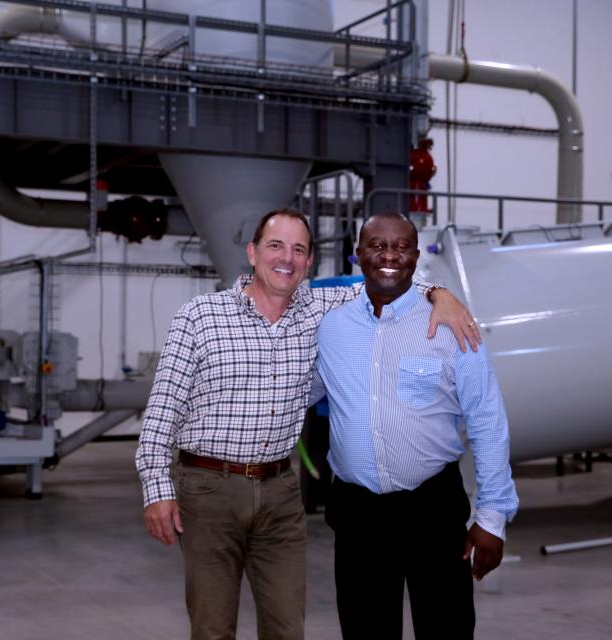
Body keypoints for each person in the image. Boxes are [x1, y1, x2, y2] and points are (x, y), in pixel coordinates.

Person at [134, 208, 481, 640]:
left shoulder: (322, 308)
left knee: (286, 628)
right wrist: (158, 491)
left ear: (310, 261)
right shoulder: (200, 317)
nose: (287, 258)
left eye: (299, 249)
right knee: (212, 627)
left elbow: (387, 277)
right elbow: (162, 410)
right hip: (209, 488)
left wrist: (438, 293)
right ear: (252, 252)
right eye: (275, 245)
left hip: (280, 492)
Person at [313, 211, 519, 640]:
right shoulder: (330, 328)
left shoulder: (450, 326)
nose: (389, 255)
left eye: (402, 246)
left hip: (433, 510)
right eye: (377, 245)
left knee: (446, 629)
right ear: (358, 254)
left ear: (416, 255)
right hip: (358, 516)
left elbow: (487, 419)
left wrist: (492, 517)